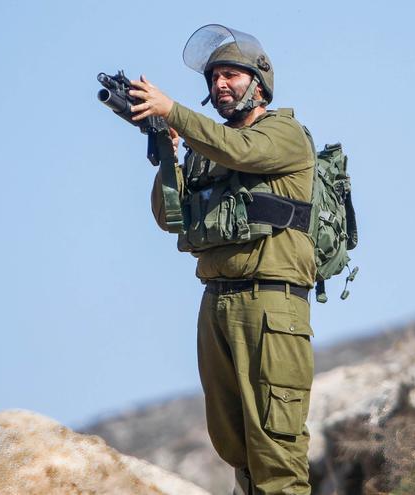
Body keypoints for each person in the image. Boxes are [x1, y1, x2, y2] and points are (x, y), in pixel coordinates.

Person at [129, 24, 316, 495]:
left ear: (259, 82)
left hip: (271, 307)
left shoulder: (284, 134)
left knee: (277, 449)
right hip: (217, 303)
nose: (220, 86)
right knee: (235, 446)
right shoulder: (206, 149)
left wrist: (175, 111)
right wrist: (167, 151)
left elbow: (242, 151)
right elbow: (168, 218)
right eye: (214, 78)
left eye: (231, 74)